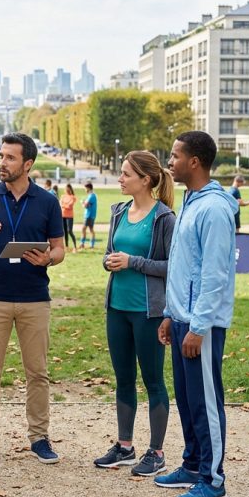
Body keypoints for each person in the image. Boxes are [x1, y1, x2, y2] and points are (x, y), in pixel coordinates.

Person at [0, 132, 65, 466]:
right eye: (1, 156)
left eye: (9, 157)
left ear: (28, 164)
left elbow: (60, 248)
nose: (2, 163)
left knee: (37, 372)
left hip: (35, 298)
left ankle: (39, 437)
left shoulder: (47, 201)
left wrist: (48, 258)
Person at [153, 131, 236, 497]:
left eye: (174, 156)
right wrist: (171, 314)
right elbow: (184, 268)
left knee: (204, 400)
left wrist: (199, 326)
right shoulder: (191, 201)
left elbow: (214, 274)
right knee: (186, 399)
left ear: (194, 162)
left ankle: (212, 479)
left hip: (203, 322)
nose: (169, 162)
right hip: (184, 317)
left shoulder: (214, 208)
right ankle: (191, 463)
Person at [95, 151, 175, 477]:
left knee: (153, 380)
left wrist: (133, 263)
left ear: (145, 179)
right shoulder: (119, 211)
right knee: (123, 379)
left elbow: (174, 267)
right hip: (117, 308)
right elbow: (108, 255)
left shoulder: (164, 218)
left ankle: (156, 452)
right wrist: (110, 262)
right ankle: (124, 446)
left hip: (148, 311)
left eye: (126, 173)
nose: (120, 178)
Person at [60, 183, 78, 253]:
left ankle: (75, 247)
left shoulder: (73, 197)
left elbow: (70, 206)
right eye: (66, 189)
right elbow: (61, 204)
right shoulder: (63, 196)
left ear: (70, 189)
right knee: (65, 232)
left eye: (68, 189)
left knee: (69, 231)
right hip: (62, 215)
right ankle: (66, 247)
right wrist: (65, 205)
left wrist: (64, 205)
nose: (67, 190)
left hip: (70, 216)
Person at [81, 182, 98, 249]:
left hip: (89, 215)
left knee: (84, 229)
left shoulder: (91, 196)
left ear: (88, 188)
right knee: (90, 229)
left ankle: (83, 243)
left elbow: (85, 205)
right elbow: (88, 205)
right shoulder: (91, 195)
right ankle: (91, 244)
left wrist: (82, 202)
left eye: (85, 188)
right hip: (90, 215)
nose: (85, 190)